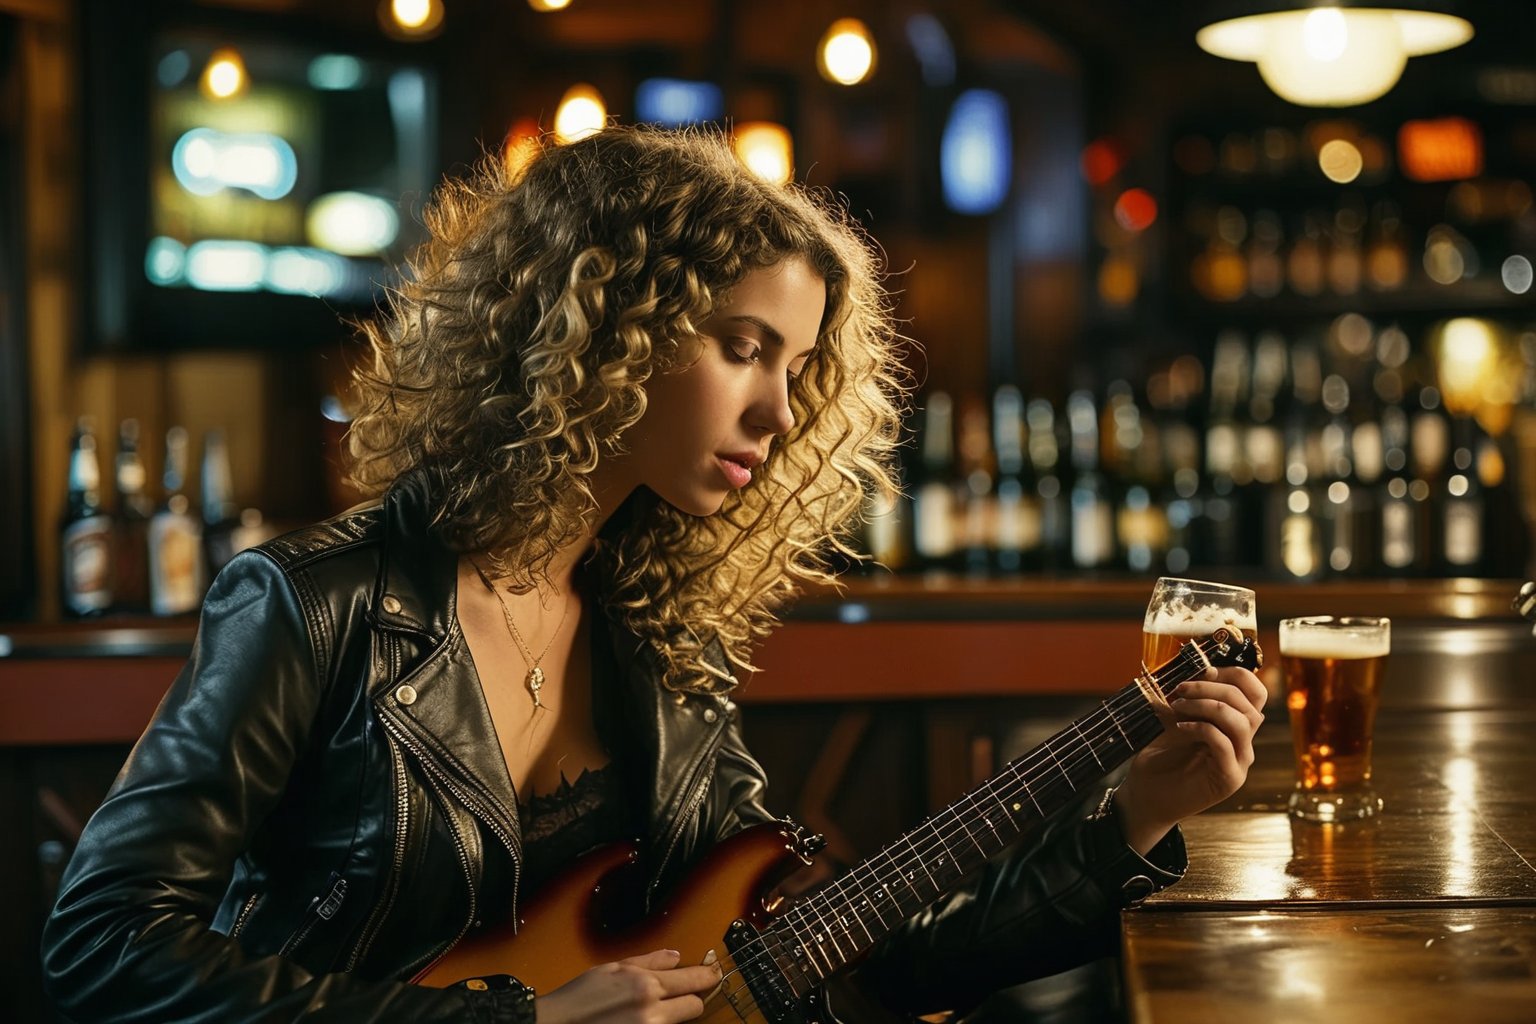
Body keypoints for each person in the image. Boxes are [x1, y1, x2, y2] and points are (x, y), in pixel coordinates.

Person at [41, 126, 1266, 1024]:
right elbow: (103, 944)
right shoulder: (314, 604)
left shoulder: (650, 634)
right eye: (744, 349)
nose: (779, 410)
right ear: (601, 325)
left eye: (795, 368)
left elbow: (837, 957)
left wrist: (1130, 819)